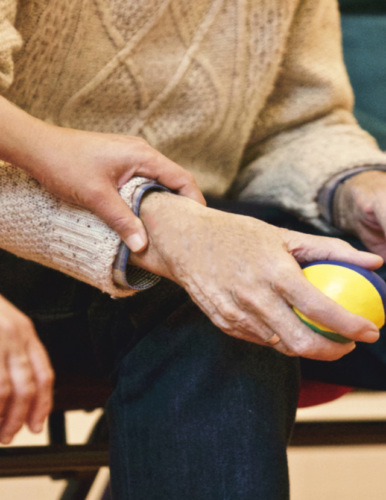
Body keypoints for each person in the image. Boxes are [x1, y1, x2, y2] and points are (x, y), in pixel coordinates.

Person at [1, 0, 386, 498]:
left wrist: (357, 188)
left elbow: (293, 123)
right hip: (26, 241)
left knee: (238, 272)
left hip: (212, 221)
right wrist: (172, 232)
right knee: (216, 299)